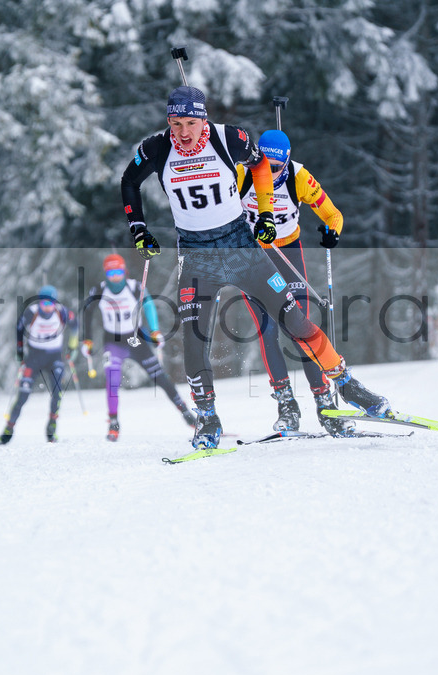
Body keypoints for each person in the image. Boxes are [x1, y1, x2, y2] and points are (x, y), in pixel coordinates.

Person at [120, 84, 391, 449]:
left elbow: (261, 164)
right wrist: (139, 228)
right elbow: (129, 180)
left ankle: (345, 384)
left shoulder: (228, 139)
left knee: (295, 320)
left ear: (203, 119)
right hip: (198, 257)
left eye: (189, 123)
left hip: (242, 249)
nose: (182, 133)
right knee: (194, 339)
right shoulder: (157, 147)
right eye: (175, 123)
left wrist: (265, 213)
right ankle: (207, 418)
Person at [236, 128, 355, 437]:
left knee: (299, 328)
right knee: (268, 329)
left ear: (286, 162)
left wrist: (333, 231)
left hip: (288, 253)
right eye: (263, 165)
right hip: (252, 258)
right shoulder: (240, 172)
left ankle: (325, 403)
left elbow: (334, 215)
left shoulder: (299, 177)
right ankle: (286, 404)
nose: (269, 173)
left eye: (277, 168)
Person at [81, 253, 197, 441]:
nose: (115, 276)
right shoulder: (99, 291)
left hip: (136, 339)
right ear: (106, 274)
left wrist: (155, 331)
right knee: (112, 380)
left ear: (124, 271)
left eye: (118, 271)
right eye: (111, 273)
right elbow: (87, 313)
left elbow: (149, 306)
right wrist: (87, 340)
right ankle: (113, 423)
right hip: (113, 341)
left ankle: (186, 413)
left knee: (160, 377)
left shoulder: (135, 287)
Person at [0, 285, 78, 445]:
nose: (47, 308)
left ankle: (51, 426)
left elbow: (75, 326)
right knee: (23, 395)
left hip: (54, 357)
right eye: (44, 304)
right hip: (34, 358)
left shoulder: (62, 312)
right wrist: (19, 350)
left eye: (50, 304)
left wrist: (72, 347)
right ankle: (8, 429)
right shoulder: (31, 312)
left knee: (57, 392)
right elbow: (19, 329)